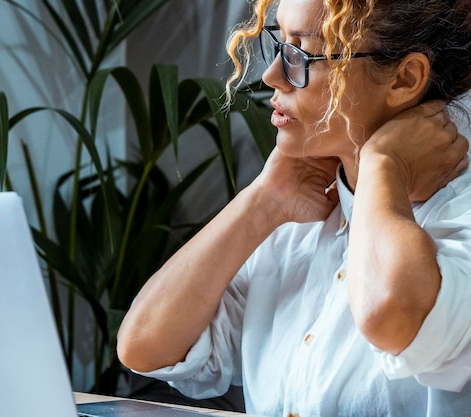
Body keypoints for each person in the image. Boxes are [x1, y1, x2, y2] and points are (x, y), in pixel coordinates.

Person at [117, 0, 471, 415]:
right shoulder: (292, 223)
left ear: (404, 79)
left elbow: (389, 315)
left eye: (301, 53)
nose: (271, 76)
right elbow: (143, 346)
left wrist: (384, 163)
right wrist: (262, 200)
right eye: (279, 44)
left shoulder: (460, 221)